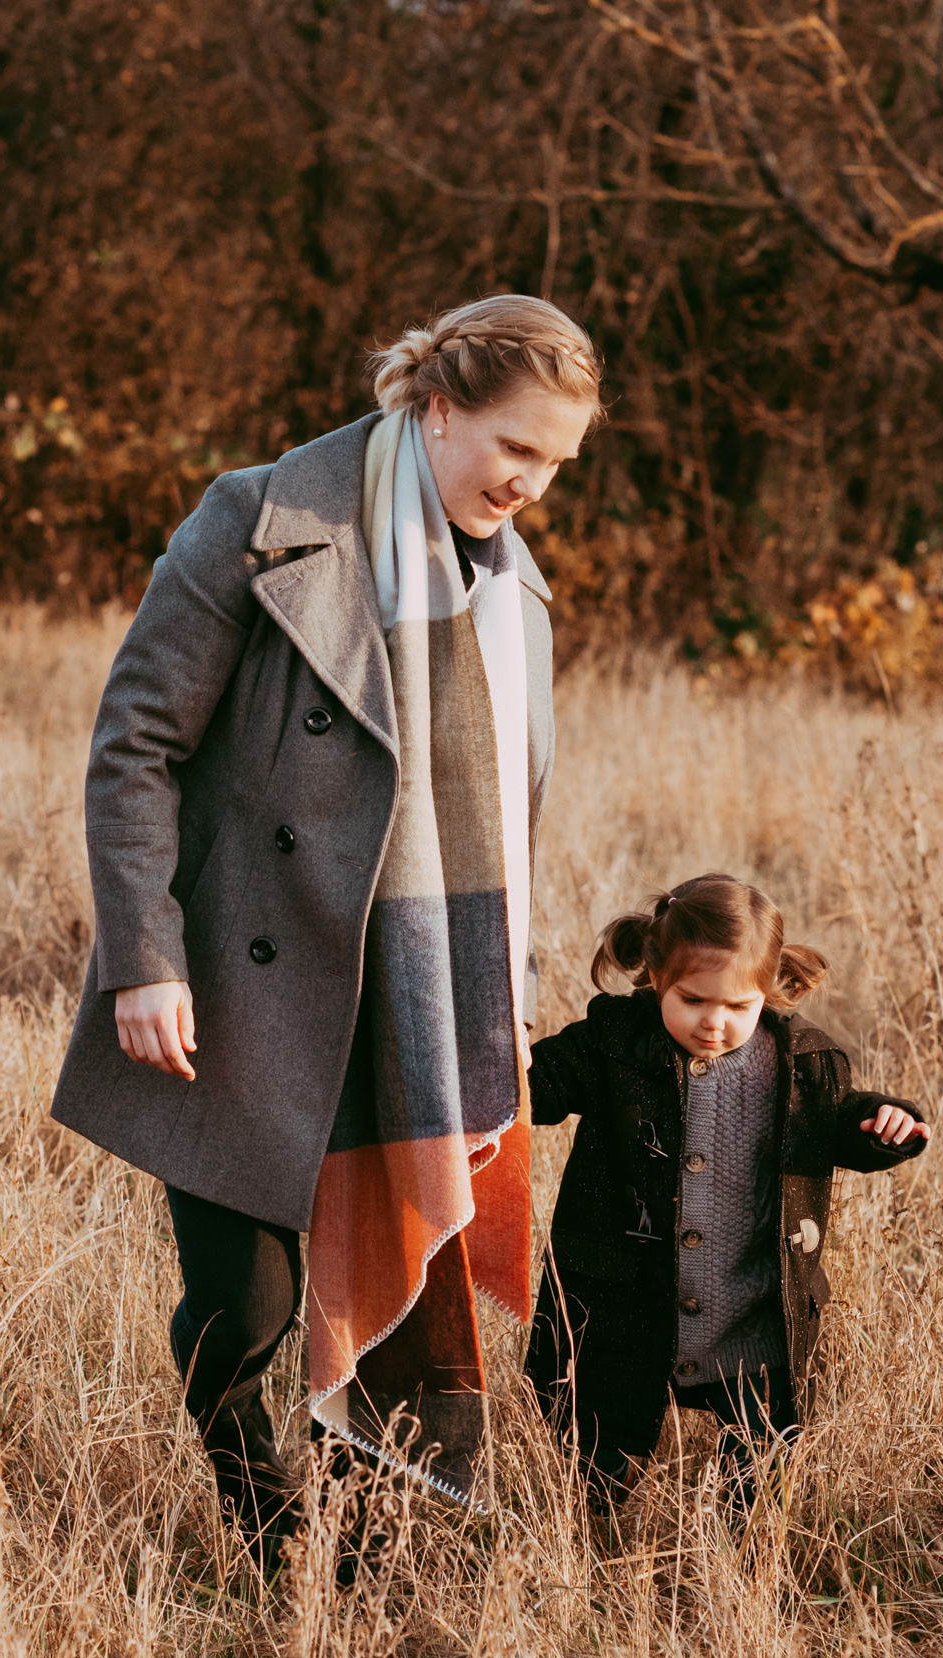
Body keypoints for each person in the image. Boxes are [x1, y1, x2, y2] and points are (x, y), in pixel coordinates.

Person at [51, 295, 604, 1565]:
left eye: (558, 464)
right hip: (240, 981)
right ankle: (272, 1542)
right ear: (438, 405)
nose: (532, 484)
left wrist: (504, 978)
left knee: (409, 1303)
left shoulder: (515, 599)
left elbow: (505, 824)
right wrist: (143, 957)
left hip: (422, 991)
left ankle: (371, 1563)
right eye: (515, 448)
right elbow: (134, 744)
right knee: (239, 1313)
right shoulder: (263, 520)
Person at [524, 872, 931, 1502]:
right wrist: (506, 1056)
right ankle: (588, 1543)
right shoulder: (611, 1042)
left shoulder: (803, 1065)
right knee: (590, 1460)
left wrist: (886, 1126)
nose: (715, 1022)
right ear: (656, 978)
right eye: (693, 1000)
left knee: (762, 1461)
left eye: (739, 1006)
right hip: (621, 1302)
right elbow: (538, 1090)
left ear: (767, 993)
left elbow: (840, 1123)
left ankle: (731, 1563)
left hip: (752, 1307)